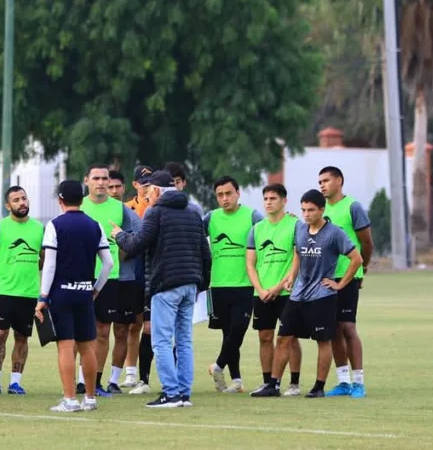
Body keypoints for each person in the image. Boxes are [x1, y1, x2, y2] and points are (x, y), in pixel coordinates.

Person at [251, 189, 363, 398]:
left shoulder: (335, 233)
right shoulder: (300, 229)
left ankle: (318, 387)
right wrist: (292, 276)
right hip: (298, 295)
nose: (306, 214)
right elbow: (297, 253)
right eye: (303, 210)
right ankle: (273, 385)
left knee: (323, 341)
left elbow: (356, 259)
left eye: (311, 210)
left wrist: (340, 285)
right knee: (283, 337)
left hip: (322, 296)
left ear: (322, 210)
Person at [114, 170, 211, 408]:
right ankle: (183, 394)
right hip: (190, 285)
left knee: (161, 342)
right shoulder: (192, 212)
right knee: (184, 341)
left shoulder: (155, 212)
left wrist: (118, 235)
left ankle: (170, 393)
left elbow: (137, 244)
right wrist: (201, 284)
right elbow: (205, 253)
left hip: (166, 285)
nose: (146, 197)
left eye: (148, 192)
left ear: (156, 190)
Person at [35, 180, 113, 413]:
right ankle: (90, 398)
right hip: (84, 293)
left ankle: (69, 400)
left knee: (65, 347)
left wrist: (42, 297)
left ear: (60, 200)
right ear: (81, 198)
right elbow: (108, 263)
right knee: (88, 346)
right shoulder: (95, 225)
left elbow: (49, 266)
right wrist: (95, 289)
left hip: (61, 294)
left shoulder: (54, 225)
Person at [79, 164, 139, 396]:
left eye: (105, 178)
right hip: (81, 275)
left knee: (103, 330)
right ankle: (79, 380)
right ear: (87, 181)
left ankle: (96, 381)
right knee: (79, 331)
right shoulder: (79, 206)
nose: (102, 182)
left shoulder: (120, 209)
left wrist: (123, 248)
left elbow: (140, 233)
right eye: (97, 178)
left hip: (109, 277)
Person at [0, 186, 43, 395]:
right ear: (8, 205)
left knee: (22, 337)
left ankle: (15, 382)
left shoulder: (39, 228)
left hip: (29, 293)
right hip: (5, 292)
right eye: (16, 200)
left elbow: (43, 259)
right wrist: (3, 274)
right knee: (0, 334)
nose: (21, 203)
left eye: (24, 198)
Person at [203, 175, 264, 393]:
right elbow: (193, 237)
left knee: (238, 329)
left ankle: (217, 366)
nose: (225, 198)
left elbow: (270, 231)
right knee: (228, 334)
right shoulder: (210, 218)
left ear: (238, 193)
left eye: (229, 193)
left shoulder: (252, 216)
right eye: (220, 195)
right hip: (218, 285)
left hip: (245, 284)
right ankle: (236, 380)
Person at [318, 167, 374, 399]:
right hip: (326, 277)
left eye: (326, 181)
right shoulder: (320, 209)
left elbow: (367, 243)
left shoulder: (353, 207)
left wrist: (362, 268)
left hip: (348, 275)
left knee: (348, 326)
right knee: (333, 330)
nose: (322, 185)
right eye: (319, 182)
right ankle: (343, 382)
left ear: (339, 181)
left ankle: (359, 382)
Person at [245, 184, 302, 397]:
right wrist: (260, 289)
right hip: (262, 293)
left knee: (289, 337)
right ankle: (268, 382)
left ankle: (293, 383)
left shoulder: (296, 225)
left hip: (288, 292)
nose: (268, 202)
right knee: (265, 337)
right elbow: (250, 263)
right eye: (266, 198)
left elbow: (297, 258)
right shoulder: (257, 229)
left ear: (284, 201)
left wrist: (279, 286)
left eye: (273, 198)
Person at [124, 165, 154, 392]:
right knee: (133, 324)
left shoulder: (159, 206)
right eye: (143, 183)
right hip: (135, 272)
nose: (147, 187)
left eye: (150, 183)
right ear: (135, 185)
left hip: (154, 272)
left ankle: (144, 376)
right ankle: (131, 373)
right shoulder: (128, 208)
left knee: (150, 326)